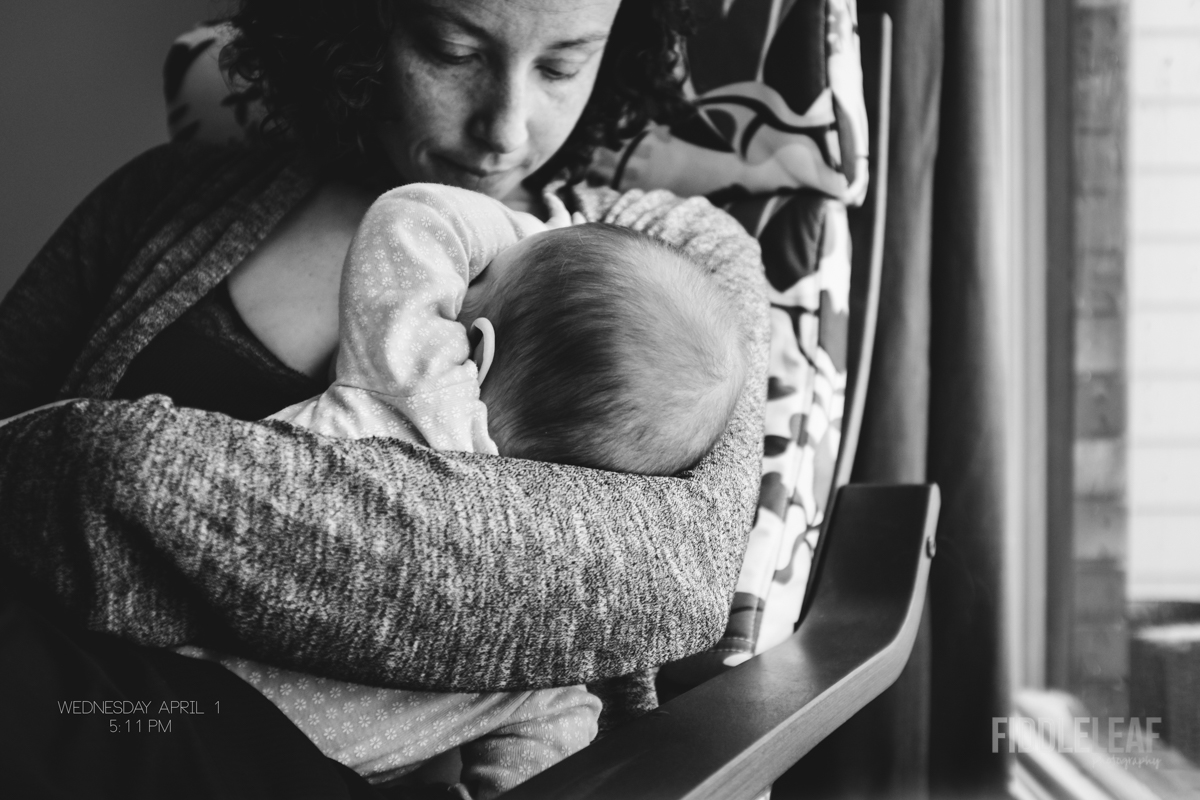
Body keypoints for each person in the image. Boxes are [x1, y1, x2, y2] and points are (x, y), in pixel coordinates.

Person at [0, 0, 769, 793]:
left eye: (562, 64)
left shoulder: (684, 260)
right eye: (453, 50)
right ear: (360, 26)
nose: (506, 128)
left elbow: (674, 578)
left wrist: (111, 472)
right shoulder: (163, 200)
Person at [176, 182, 746, 798]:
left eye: (477, 279)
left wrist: (535, 237)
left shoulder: (417, 386)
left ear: (478, 345)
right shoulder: (547, 646)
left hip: (153, 693)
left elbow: (414, 217)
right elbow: (555, 754)